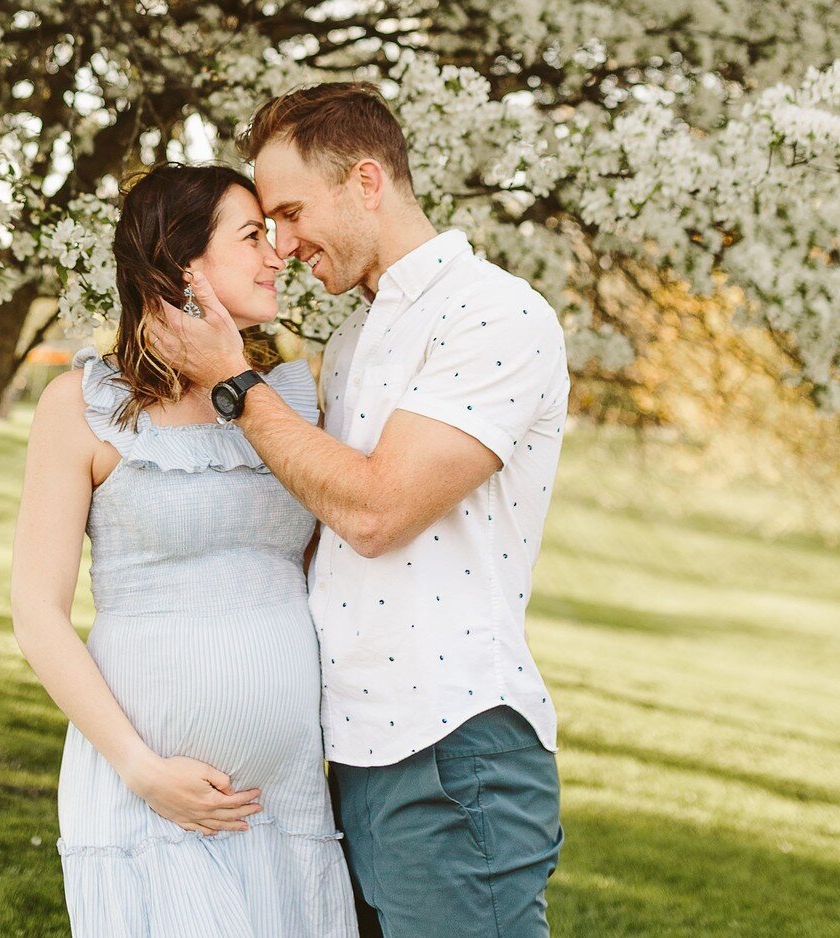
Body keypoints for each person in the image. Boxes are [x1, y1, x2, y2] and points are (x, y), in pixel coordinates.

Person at [152, 83, 570, 938]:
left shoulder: (495, 315)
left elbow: (378, 514)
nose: (282, 244)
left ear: (366, 183)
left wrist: (233, 381)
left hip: (452, 750)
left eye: (292, 212)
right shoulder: (352, 341)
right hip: (349, 754)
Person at [11, 163, 358, 938]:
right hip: (149, 803)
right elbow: (36, 614)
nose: (277, 255)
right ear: (181, 262)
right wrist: (142, 770)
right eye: (252, 236)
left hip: (287, 804)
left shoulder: (294, 397)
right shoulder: (83, 407)